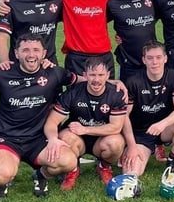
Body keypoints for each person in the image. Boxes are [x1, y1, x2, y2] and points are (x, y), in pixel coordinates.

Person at [0, 34, 78, 199]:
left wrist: (114, 83)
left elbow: (81, 81)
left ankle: (41, 175)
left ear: (44, 53)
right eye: (25, 50)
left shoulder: (54, 73)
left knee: (69, 162)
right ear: (16, 53)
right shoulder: (2, 74)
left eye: (36, 50)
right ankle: (1, 183)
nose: (31, 54)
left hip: (38, 139)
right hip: (7, 137)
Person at [0, 0, 118, 75]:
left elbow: (127, 4)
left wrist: (124, 34)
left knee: (109, 93)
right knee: (75, 93)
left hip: (96, 57)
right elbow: (2, 37)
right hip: (73, 59)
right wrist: (4, 3)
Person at [43, 56, 127, 189]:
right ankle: (73, 169)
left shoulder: (116, 94)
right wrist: (53, 139)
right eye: (92, 75)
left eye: (101, 75)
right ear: (85, 75)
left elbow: (116, 127)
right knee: (65, 137)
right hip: (77, 138)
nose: (96, 79)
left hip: (101, 138)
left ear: (108, 75)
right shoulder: (73, 93)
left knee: (116, 143)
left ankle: (104, 166)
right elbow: (52, 122)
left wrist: (85, 129)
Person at [120, 41, 174, 178]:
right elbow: (124, 116)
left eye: (158, 57)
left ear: (165, 59)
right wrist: (132, 146)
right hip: (141, 133)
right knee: (131, 173)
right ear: (144, 60)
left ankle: (173, 158)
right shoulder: (133, 81)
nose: (155, 62)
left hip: (165, 129)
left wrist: (162, 124)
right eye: (150, 58)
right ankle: (134, 152)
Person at [107, 0, 157, 83]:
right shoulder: (114, 2)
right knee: (128, 99)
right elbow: (99, 23)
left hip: (152, 61)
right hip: (128, 62)